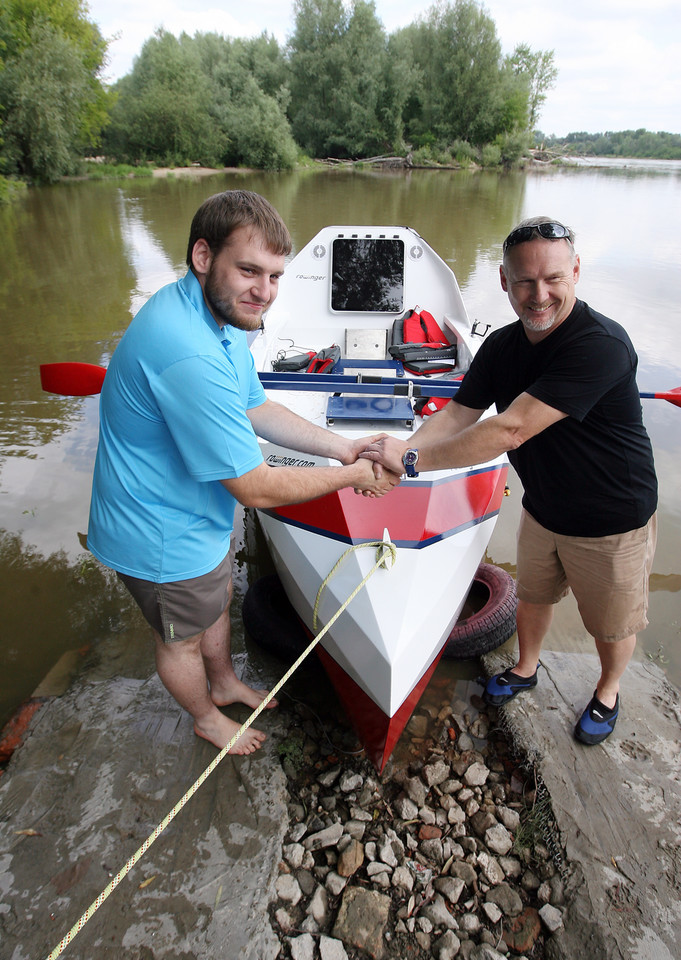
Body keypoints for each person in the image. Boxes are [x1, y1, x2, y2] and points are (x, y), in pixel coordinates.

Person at [88, 190, 400, 755]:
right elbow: (254, 487)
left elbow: (255, 406)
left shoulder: (221, 317)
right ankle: (207, 717)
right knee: (180, 638)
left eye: (276, 275)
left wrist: (341, 448)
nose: (265, 292)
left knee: (213, 605)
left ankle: (227, 682)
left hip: (195, 514)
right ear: (203, 257)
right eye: (249, 270)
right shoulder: (190, 351)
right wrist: (350, 479)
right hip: (159, 533)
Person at [361, 216, 657, 745]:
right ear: (504, 281)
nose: (538, 294)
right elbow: (458, 415)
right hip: (543, 507)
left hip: (612, 518)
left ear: (576, 273)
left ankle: (609, 691)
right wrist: (404, 449)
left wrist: (409, 467)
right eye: (524, 281)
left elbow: (510, 429)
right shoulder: (500, 348)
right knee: (533, 597)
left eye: (553, 279)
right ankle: (525, 668)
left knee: (611, 625)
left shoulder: (602, 344)